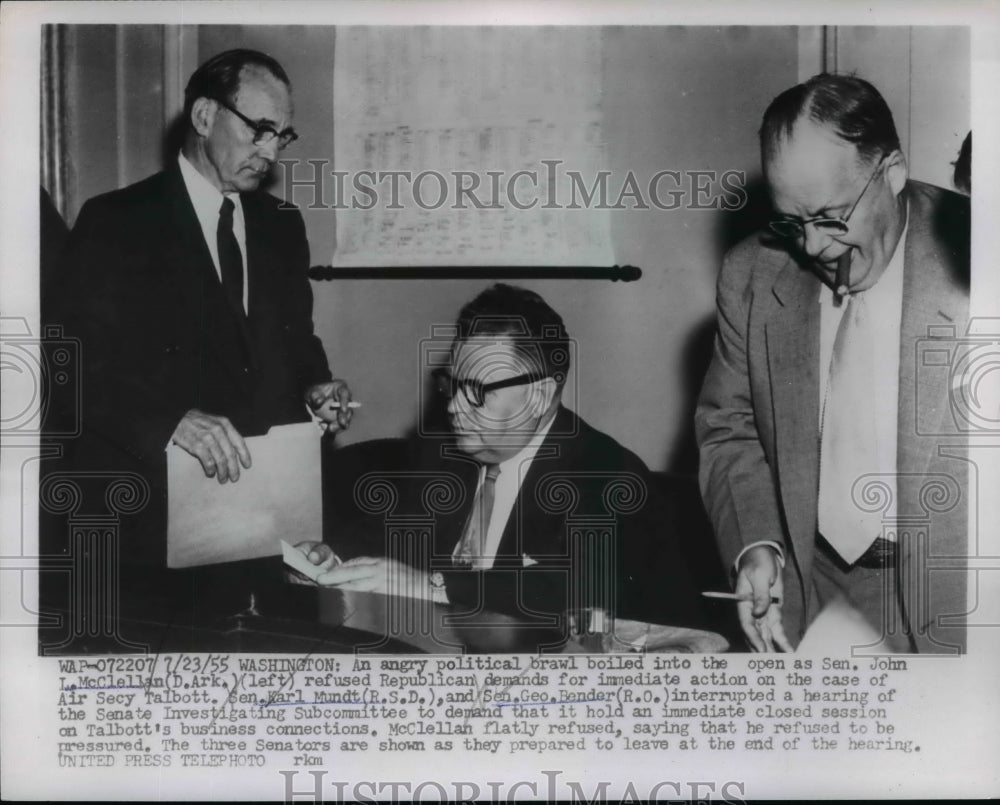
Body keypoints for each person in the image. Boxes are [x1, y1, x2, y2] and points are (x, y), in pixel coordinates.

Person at [695, 74, 969, 654]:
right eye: (792, 223)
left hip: (955, 602)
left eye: (831, 217)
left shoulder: (978, 256)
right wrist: (756, 545)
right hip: (806, 592)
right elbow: (729, 427)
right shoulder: (752, 274)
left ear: (891, 171)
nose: (814, 249)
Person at [51, 49, 353, 568]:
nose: (272, 153)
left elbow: (297, 343)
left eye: (281, 136)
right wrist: (171, 421)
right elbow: (68, 368)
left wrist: (317, 387)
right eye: (260, 129)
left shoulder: (283, 225)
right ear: (205, 116)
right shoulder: (116, 221)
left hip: (264, 521)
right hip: (149, 523)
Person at [297, 284, 707, 632]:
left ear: (540, 394)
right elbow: (382, 542)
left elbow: (575, 593)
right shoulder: (440, 454)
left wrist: (435, 586)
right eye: (452, 384)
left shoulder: (607, 474)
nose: (455, 406)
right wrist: (330, 561)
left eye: (476, 389)